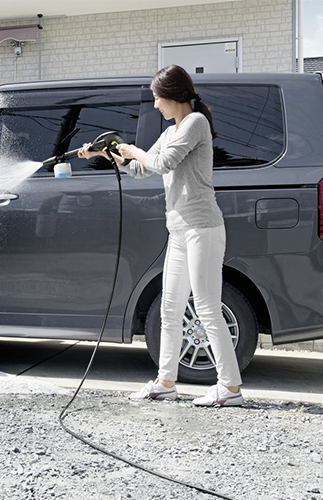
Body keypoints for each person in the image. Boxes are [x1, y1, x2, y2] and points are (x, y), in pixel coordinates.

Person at [78, 65, 243, 407]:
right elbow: (141, 168)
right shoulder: (171, 132)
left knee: (208, 308)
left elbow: (162, 162)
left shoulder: (195, 123)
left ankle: (230, 388)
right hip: (179, 230)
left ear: (174, 95)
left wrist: (133, 148)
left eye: (157, 98)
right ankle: (166, 382)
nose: (155, 105)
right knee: (170, 308)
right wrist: (106, 153)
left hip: (203, 228)